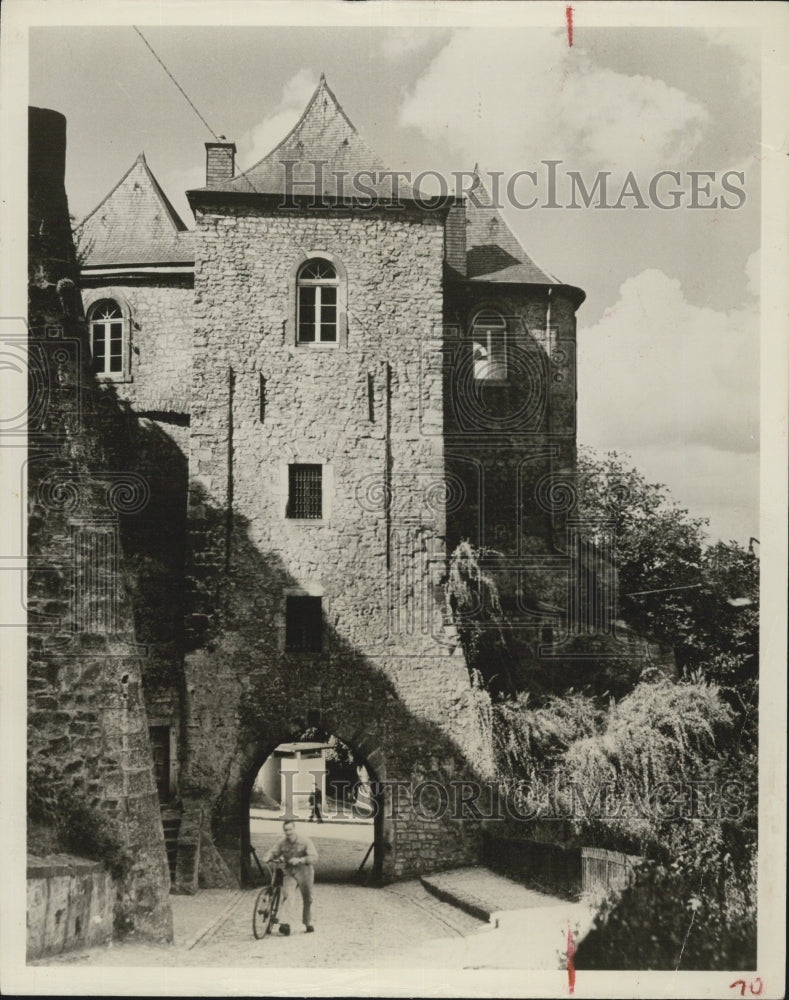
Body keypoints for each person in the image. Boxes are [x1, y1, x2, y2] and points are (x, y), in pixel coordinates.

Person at [264, 818, 318, 935]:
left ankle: (308, 923)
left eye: (290, 830)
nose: (288, 832)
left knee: (308, 899)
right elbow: (274, 851)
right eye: (286, 830)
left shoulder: (305, 841)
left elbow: (314, 857)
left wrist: (301, 859)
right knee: (288, 896)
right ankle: (286, 924)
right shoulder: (282, 842)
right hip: (290, 872)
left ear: (294, 829)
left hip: (305, 872)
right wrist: (268, 856)